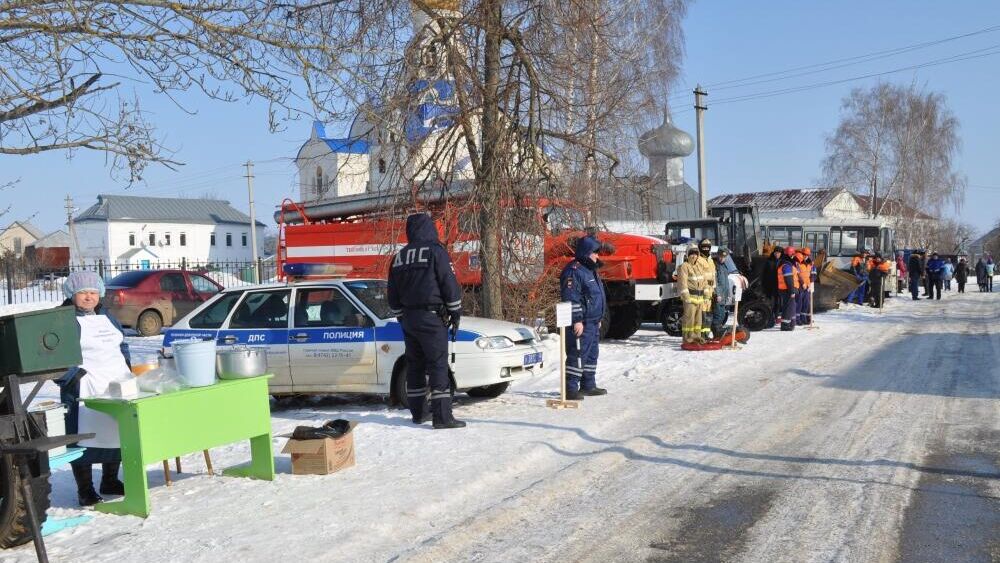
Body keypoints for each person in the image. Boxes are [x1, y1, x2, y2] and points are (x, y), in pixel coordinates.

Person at [54, 271, 131, 506]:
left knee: (115, 432)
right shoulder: (61, 319)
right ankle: (85, 489)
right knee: (83, 438)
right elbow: (52, 355)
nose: (89, 297)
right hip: (82, 389)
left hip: (114, 385)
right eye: (83, 293)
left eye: (93, 292)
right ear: (71, 294)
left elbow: (122, 344)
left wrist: (127, 370)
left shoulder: (107, 316)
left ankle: (110, 480)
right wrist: (72, 378)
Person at [387, 213, 466, 429]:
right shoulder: (435, 252)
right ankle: (442, 417)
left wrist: (402, 317)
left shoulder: (398, 257)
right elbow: (448, 282)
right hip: (432, 318)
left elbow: (392, 295)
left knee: (415, 366)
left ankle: (419, 413)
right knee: (438, 365)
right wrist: (455, 311)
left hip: (409, 319)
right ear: (430, 228)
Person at [558, 235, 607, 399]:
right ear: (587, 252)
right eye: (595, 253)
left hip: (593, 322)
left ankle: (588, 385)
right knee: (577, 354)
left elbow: (595, 296)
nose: (597, 256)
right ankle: (570, 388)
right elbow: (571, 298)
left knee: (591, 355)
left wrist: (599, 317)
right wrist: (577, 320)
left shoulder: (590, 270)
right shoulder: (574, 271)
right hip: (582, 323)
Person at [677, 246, 709, 345]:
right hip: (690, 299)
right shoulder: (684, 266)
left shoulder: (699, 267)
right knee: (689, 321)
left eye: (695, 254)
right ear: (688, 255)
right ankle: (687, 339)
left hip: (699, 299)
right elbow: (683, 283)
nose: (694, 256)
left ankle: (696, 338)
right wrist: (686, 297)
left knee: (698, 322)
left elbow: (705, 282)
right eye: (691, 254)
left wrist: (706, 296)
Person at [696, 239, 718, 342]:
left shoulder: (710, 260)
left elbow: (713, 276)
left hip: (710, 293)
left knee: (708, 316)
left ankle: (706, 335)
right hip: (702, 292)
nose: (705, 249)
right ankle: (700, 336)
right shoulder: (698, 260)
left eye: (707, 247)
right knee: (701, 315)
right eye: (703, 247)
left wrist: (714, 290)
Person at [711, 248, 735, 338]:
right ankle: (716, 333)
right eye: (720, 256)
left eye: (724, 257)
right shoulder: (715, 265)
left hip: (724, 295)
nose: (722, 258)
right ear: (718, 255)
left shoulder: (724, 266)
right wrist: (717, 294)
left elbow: (726, 282)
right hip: (718, 295)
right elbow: (715, 281)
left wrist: (728, 294)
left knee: (722, 315)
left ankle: (719, 332)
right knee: (717, 315)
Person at [777, 246, 799, 331]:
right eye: (793, 255)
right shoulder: (786, 265)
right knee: (788, 308)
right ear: (790, 255)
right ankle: (785, 325)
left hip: (785, 289)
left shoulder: (785, 264)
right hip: (787, 290)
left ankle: (790, 324)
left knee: (790, 307)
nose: (794, 256)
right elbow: (788, 279)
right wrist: (792, 291)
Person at [797, 248, 817, 324]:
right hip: (800, 285)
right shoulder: (798, 262)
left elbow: (814, 274)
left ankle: (804, 318)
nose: (805, 256)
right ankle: (798, 319)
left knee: (806, 303)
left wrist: (810, 282)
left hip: (808, 286)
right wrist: (802, 283)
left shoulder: (811, 263)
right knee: (799, 302)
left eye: (807, 255)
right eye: (804, 254)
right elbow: (797, 274)